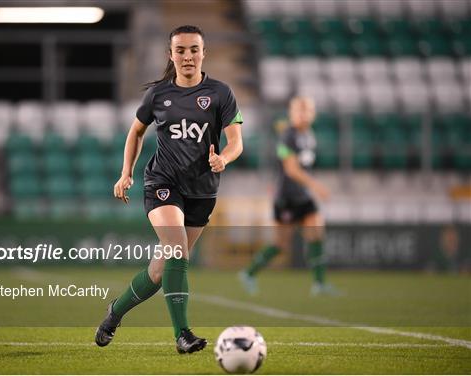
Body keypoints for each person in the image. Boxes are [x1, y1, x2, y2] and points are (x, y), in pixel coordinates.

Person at [95, 25, 243, 354]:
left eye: (194, 49)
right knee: (178, 250)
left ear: (203, 53)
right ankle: (182, 334)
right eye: (181, 50)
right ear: (171, 55)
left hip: (202, 191)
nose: (187, 56)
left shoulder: (221, 93)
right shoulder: (158, 95)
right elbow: (135, 133)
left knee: (161, 269)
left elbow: (236, 142)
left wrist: (224, 159)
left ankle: (114, 312)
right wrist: (126, 174)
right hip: (162, 183)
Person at [239, 96, 334, 296]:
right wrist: (316, 186)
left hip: (304, 196)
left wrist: (310, 188)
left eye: (306, 110)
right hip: (287, 197)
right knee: (281, 244)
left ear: (313, 113)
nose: (303, 114)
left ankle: (319, 284)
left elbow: (305, 166)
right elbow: (291, 170)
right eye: (299, 110)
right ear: (291, 113)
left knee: (316, 233)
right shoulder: (287, 136)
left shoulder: (309, 135)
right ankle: (248, 273)